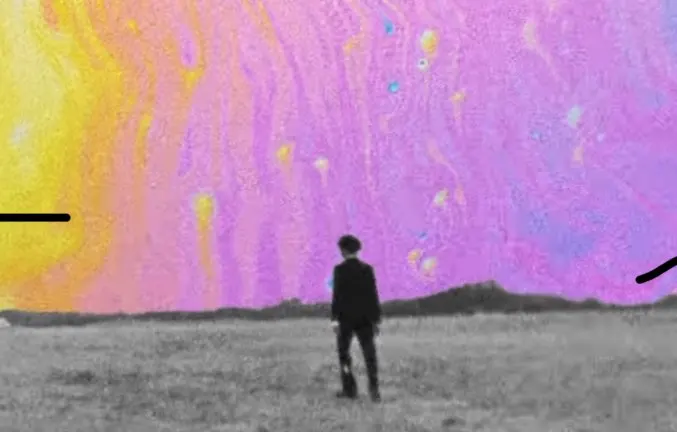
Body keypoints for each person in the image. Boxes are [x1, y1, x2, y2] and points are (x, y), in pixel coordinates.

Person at [331, 234, 382, 402]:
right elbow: (373, 296)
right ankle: (374, 388)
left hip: (345, 319)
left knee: (344, 355)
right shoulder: (367, 269)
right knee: (370, 355)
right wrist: (376, 320)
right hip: (365, 319)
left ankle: (349, 389)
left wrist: (334, 319)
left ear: (343, 250)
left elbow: (337, 296)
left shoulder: (339, 270)